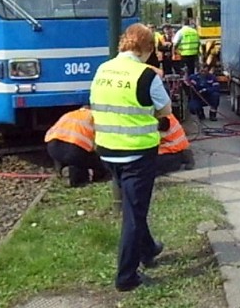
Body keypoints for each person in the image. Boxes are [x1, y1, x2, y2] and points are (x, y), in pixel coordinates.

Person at [90, 23, 171, 292]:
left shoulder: (103, 69)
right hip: (137, 154)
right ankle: (126, 277)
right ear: (147, 48)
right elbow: (165, 109)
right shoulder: (146, 76)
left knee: (132, 205)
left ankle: (148, 249)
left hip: (106, 151)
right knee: (134, 215)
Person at [44, 106, 110, 187]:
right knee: (101, 168)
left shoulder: (69, 114)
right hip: (74, 149)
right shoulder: (95, 116)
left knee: (69, 157)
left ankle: (61, 170)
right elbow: (100, 142)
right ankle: (76, 175)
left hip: (52, 147)